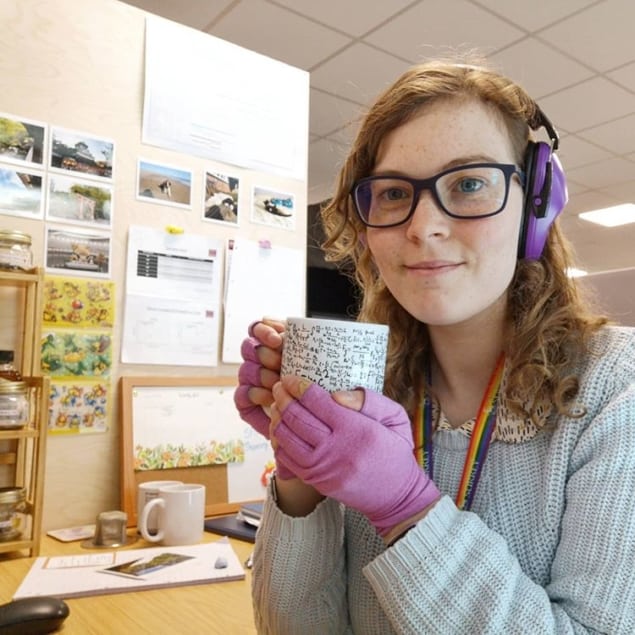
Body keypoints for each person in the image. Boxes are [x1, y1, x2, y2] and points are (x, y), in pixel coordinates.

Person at [233, 59, 635, 634]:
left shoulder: (620, 387)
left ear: (537, 205)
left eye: (469, 183)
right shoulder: (369, 388)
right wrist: (302, 481)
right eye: (394, 193)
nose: (422, 226)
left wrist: (406, 507)